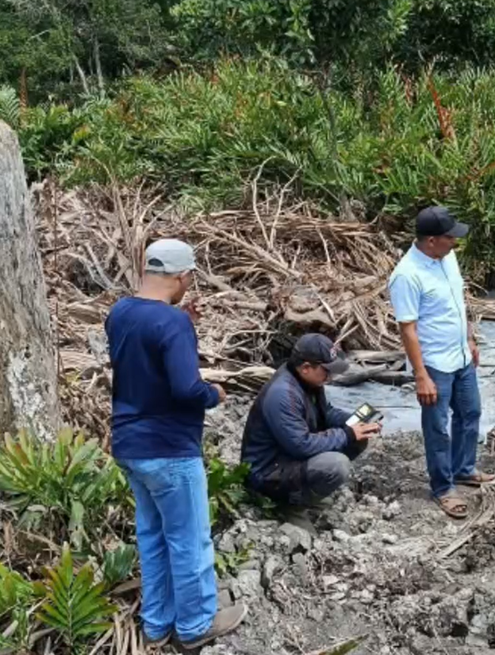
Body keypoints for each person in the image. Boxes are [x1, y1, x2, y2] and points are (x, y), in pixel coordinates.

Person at [105, 238, 246, 649]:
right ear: (183, 276)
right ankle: (196, 625)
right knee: (189, 538)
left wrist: (180, 322)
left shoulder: (120, 313)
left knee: (152, 536)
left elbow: (145, 353)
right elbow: (186, 388)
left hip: (130, 444)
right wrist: (214, 395)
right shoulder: (172, 324)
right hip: (169, 447)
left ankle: (157, 624)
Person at [388, 206, 495, 519]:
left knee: (470, 412)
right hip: (434, 363)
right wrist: (421, 375)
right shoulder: (407, 276)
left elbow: (458, 303)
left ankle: (463, 468)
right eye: (450, 237)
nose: (455, 242)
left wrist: (470, 338)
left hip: (460, 355)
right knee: (437, 427)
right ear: (431, 240)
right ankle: (443, 487)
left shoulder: (447, 258)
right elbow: (407, 328)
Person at [241, 333, 380, 511]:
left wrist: (354, 422)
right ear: (306, 367)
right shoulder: (283, 394)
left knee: (358, 438)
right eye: (326, 370)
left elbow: (326, 413)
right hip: (267, 472)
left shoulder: (309, 382)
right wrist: (347, 434)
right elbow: (302, 445)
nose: (330, 376)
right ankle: (291, 506)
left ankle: (306, 493)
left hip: (288, 456)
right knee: (336, 465)